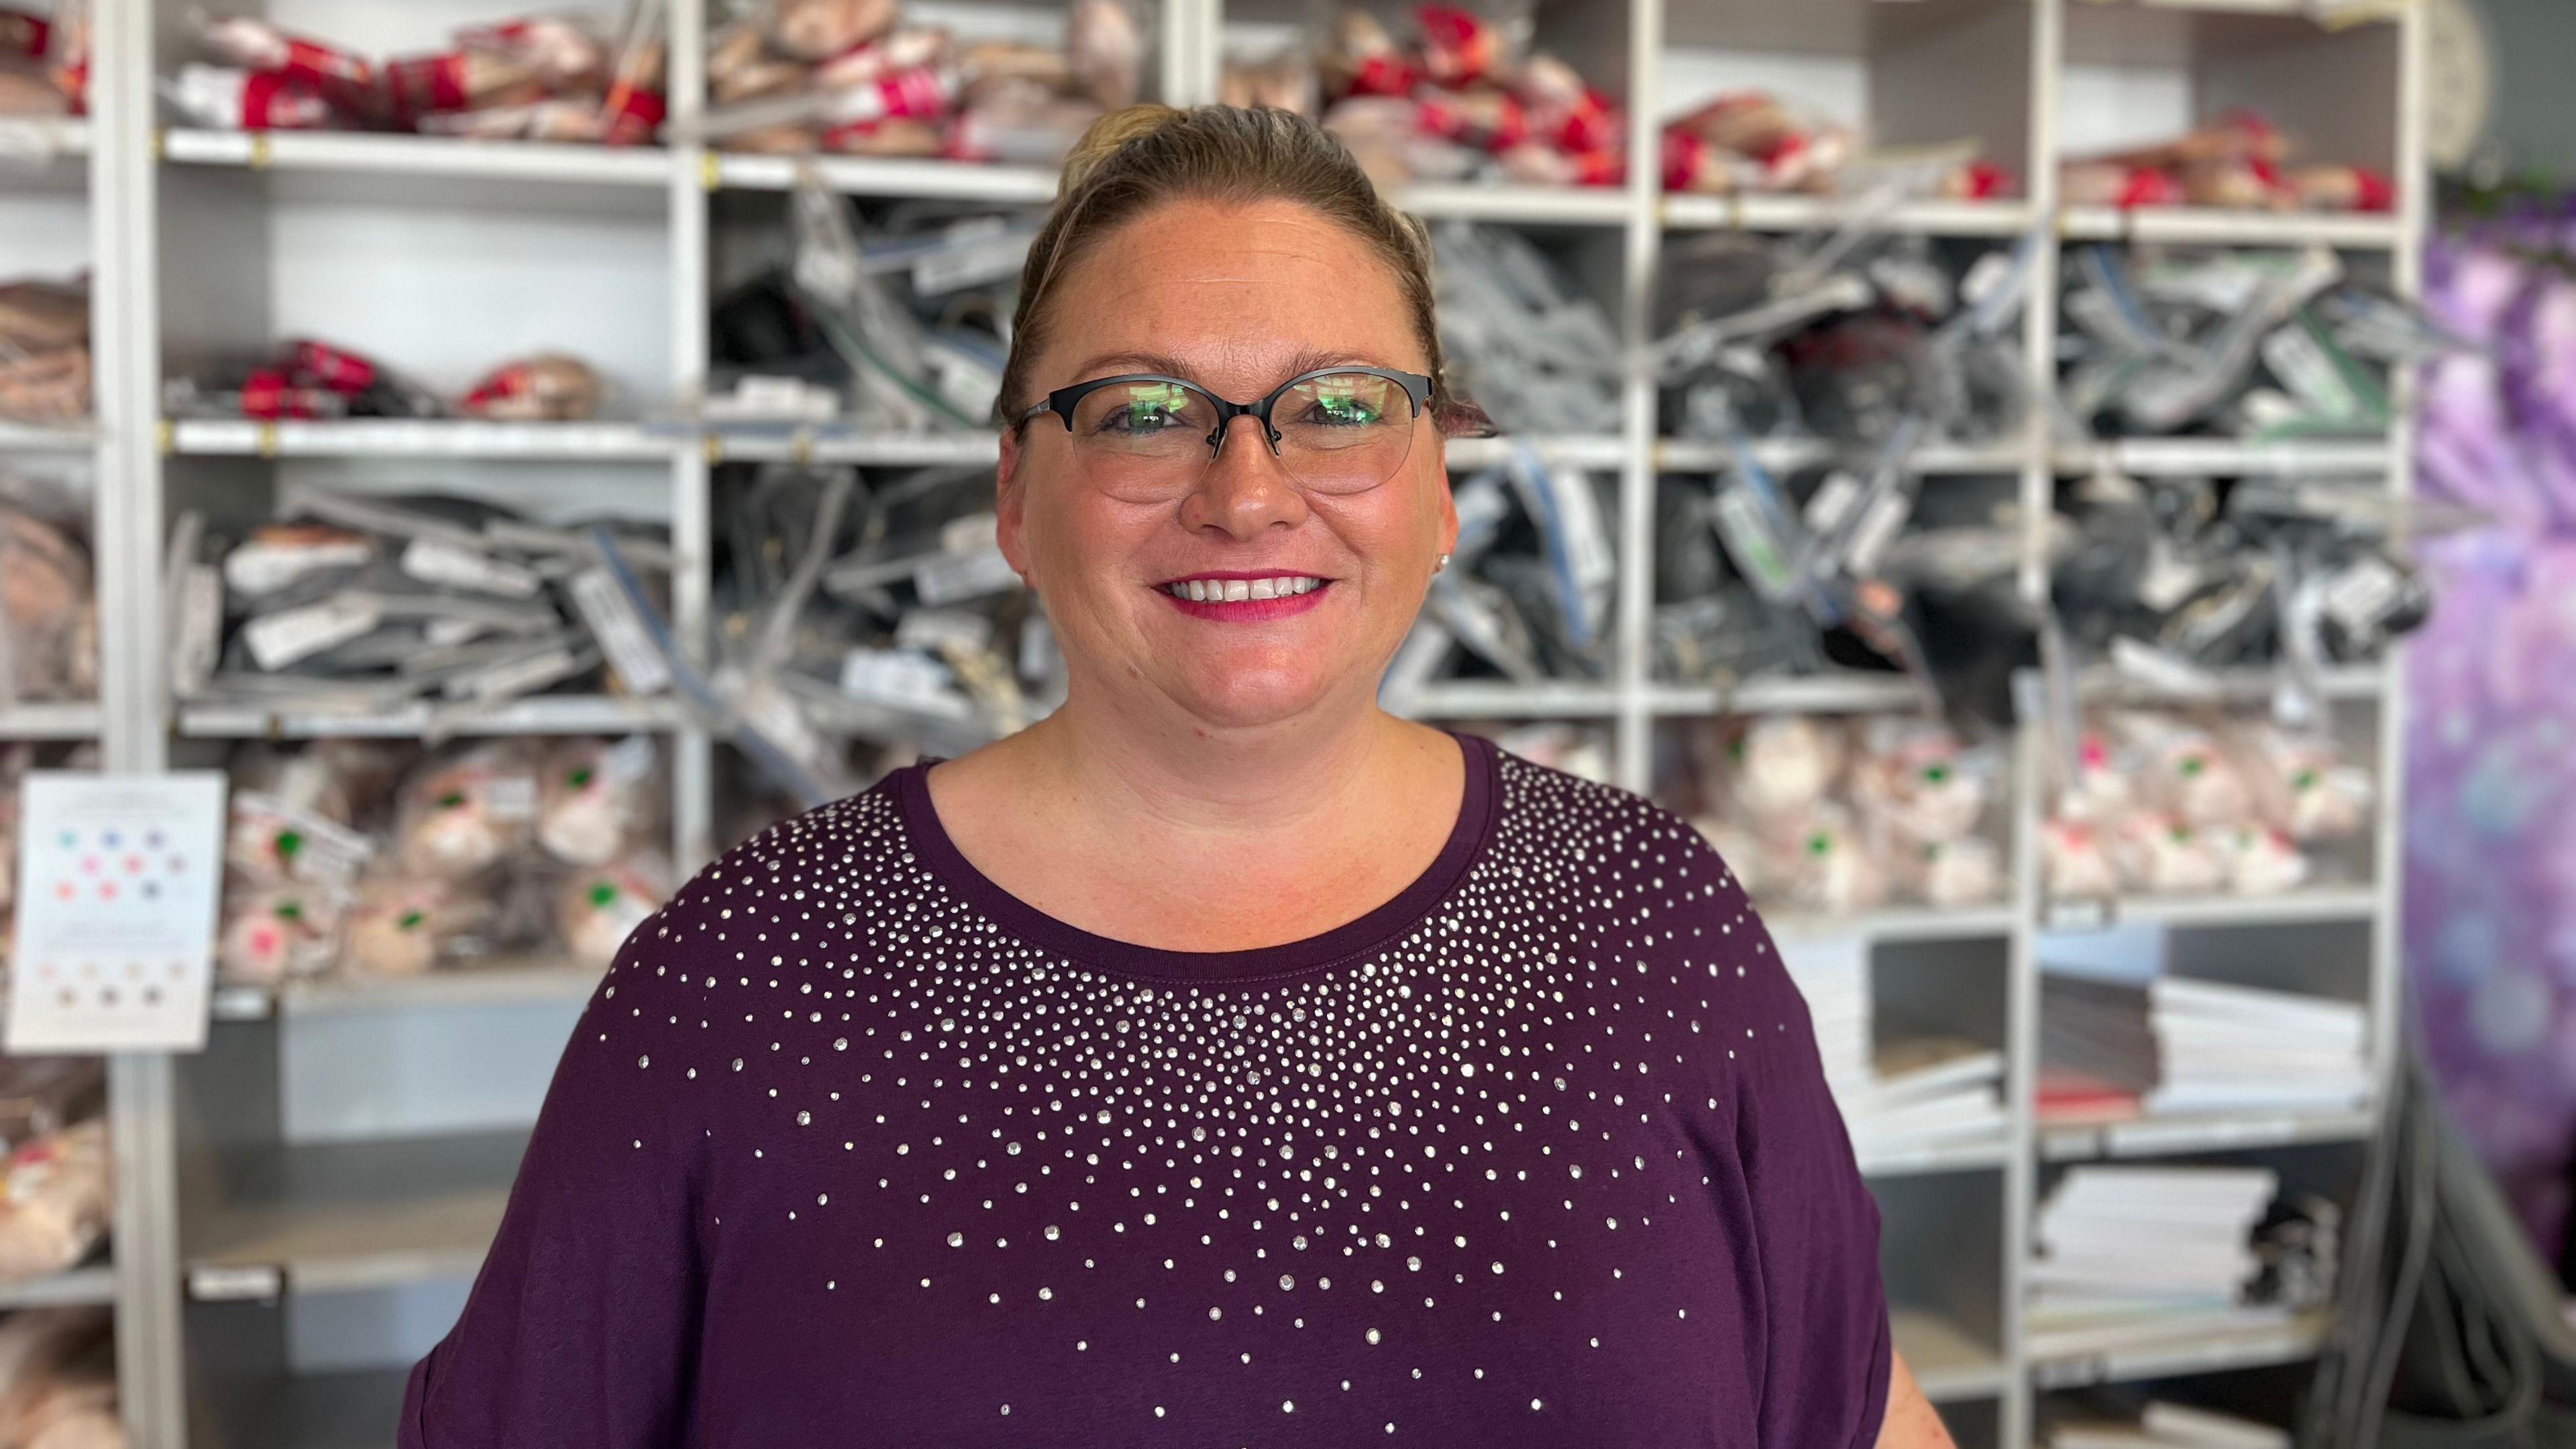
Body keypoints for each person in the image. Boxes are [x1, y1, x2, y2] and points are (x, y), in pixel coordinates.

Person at [398, 103, 1953, 1448]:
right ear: (1017, 494)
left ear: (1442, 489)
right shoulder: (746, 977)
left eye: (1341, 409)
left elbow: (1849, 1409)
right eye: (1145, 413)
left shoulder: (1649, 921)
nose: (1250, 492)